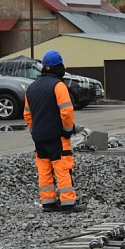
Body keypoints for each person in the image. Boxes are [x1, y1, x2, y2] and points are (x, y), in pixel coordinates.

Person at [23, 50, 85, 213]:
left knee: (44, 169)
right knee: (62, 167)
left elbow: (27, 115)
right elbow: (66, 111)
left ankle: (48, 202)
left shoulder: (32, 88)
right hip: (57, 136)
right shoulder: (59, 86)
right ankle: (68, 203)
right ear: (58, 67)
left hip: (39, 137)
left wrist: (34, 132)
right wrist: (67, 131)